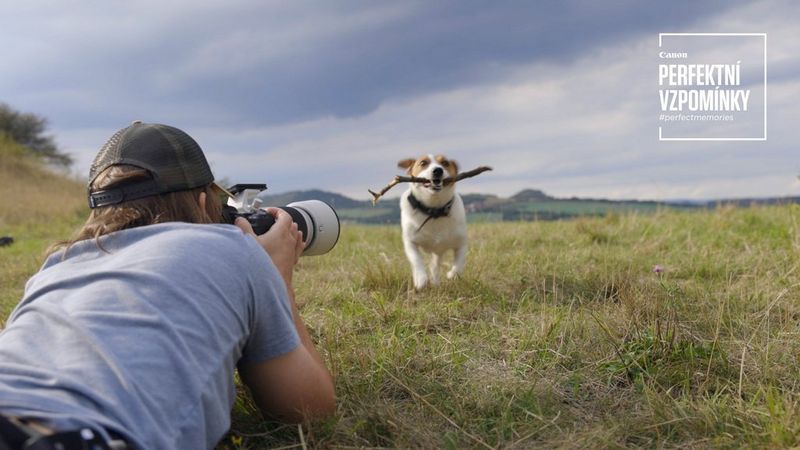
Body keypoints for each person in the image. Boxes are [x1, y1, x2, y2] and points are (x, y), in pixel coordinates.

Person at [0, 122, 335, 449]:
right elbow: (309, 410)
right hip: (70, 436)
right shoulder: (233, 249)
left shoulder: (55, 266)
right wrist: (276, 278)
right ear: (203, 203)